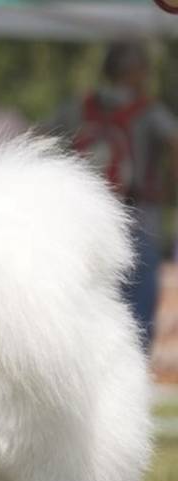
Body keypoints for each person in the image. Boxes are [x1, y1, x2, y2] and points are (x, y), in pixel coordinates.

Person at [48, 43, 178, 350]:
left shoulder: (80, 106)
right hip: (138, 216)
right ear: (138, 72)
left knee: (87, 296)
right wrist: (168, 184)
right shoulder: (148, 111)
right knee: (138, 305)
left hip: (84, 219)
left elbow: (40, 134)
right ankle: (133, 362)